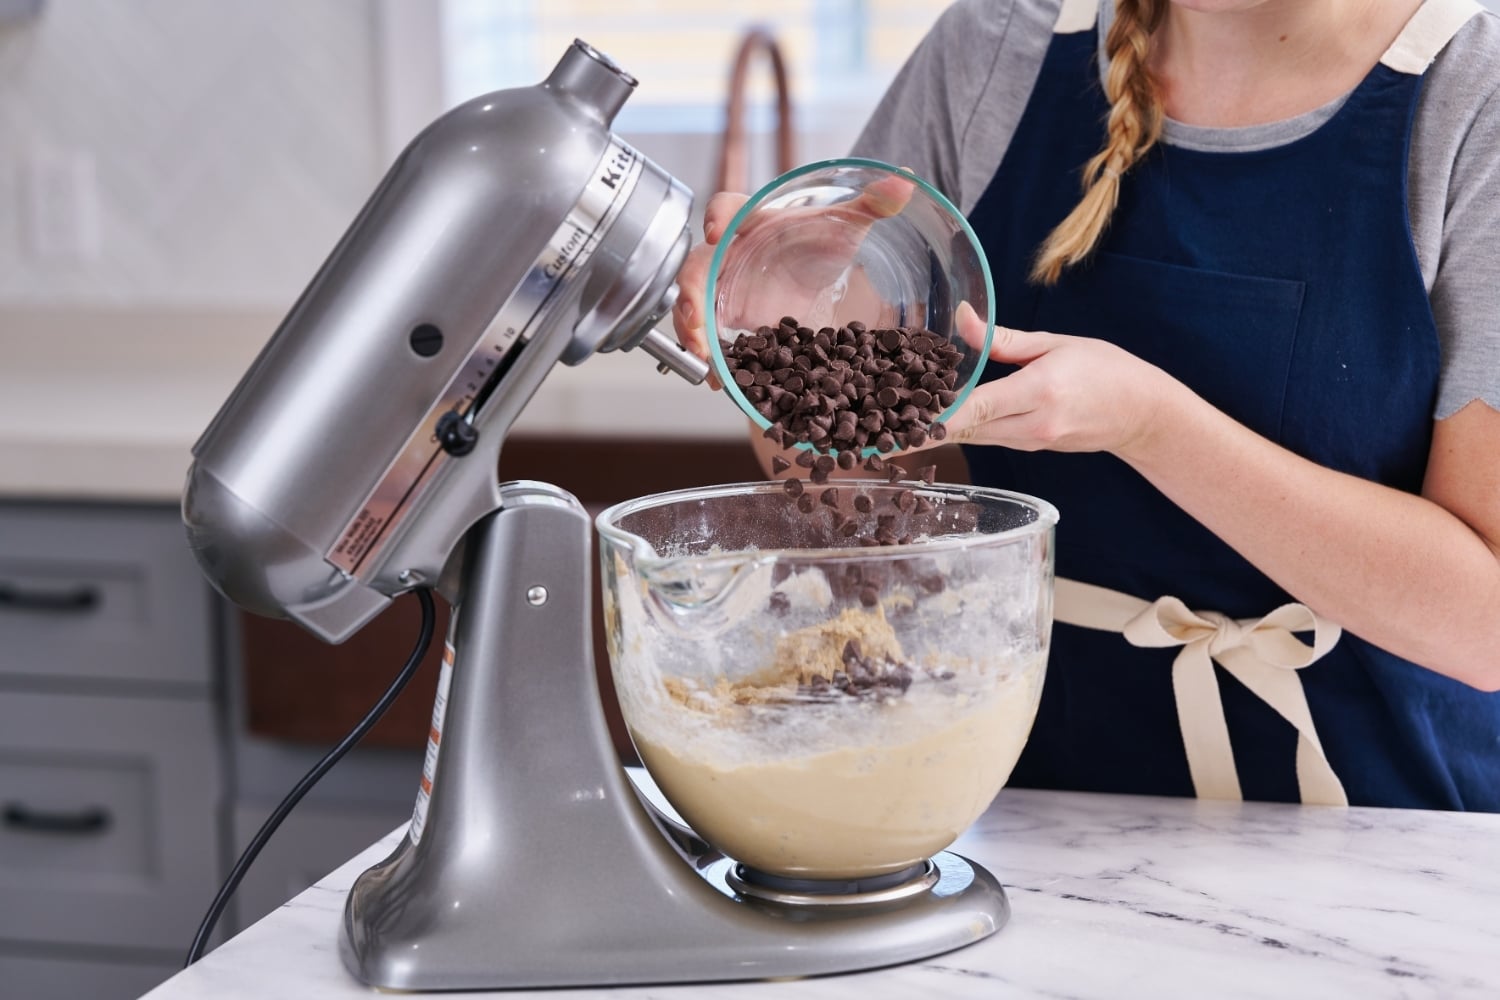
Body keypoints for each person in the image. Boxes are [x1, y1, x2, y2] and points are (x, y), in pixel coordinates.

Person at [674, 0, 1500, 811]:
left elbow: (1484, 624)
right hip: (1036, 803)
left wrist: (1151, 426)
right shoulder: (995, 47)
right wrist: (792, 338)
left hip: (1388, 823)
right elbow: (856, 502)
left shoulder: (1475, 93)